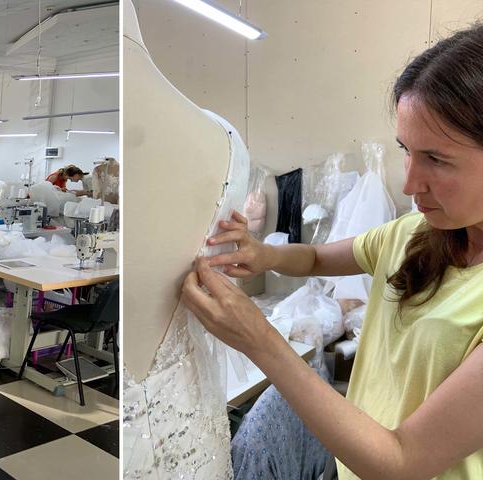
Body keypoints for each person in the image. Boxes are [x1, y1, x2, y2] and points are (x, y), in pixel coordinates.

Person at [181, 25, 483, 480]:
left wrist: (260, 339)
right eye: (406, 151)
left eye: (436, 159)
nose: (409, 183)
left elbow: (402, 462)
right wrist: (266, 255)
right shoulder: (413, 233)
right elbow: (318, 259)